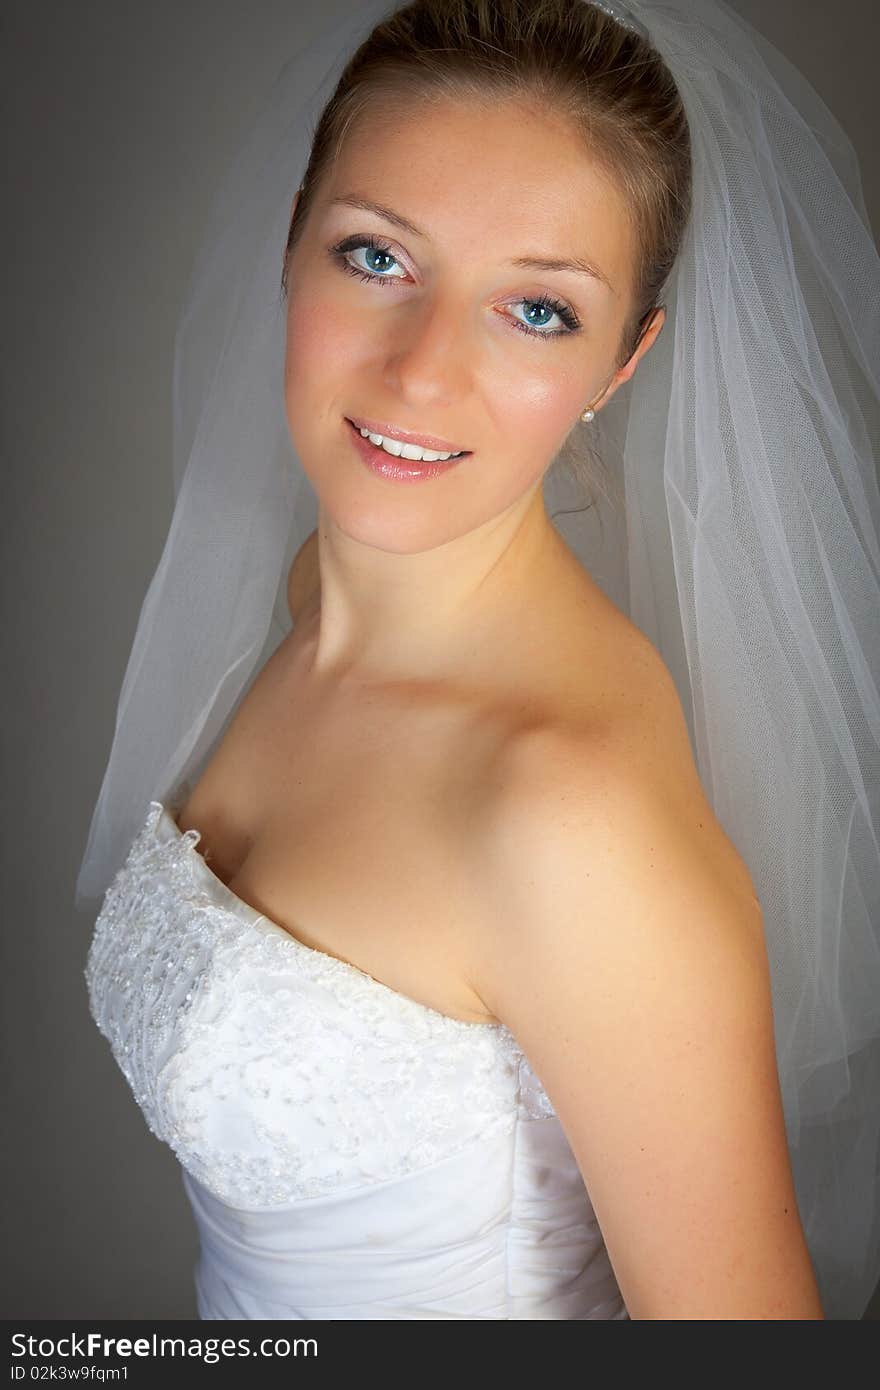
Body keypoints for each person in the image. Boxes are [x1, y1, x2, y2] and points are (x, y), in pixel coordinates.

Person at [79, 0, 880, 1319]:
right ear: (292, 241)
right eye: (378, 257)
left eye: (537, 310)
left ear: (624, 364)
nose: (421, 370)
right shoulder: (310, 604)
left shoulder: (566, 813)